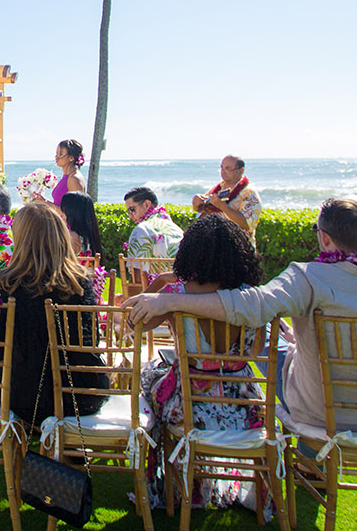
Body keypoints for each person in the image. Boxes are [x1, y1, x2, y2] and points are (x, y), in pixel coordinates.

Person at [125, 198, 357, 433]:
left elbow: (252, 306)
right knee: (270, 337)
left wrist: (172, 299)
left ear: (325, 239)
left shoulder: (308, 278)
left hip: (320, 413)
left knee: (269, 333)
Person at [135, 215, 269, 514]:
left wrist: (161, 284)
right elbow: (256, 350)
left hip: (189, 409)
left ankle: (173, 483)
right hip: (243, 407)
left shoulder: (176, 295)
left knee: (149, 380)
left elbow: (135, 324)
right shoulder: (253, 299)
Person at [0, 201, 110, 425]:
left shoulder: (6, 284)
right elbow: (91, 342)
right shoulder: (80, 283)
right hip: (79, 394)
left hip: (22, 395)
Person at [191, 155, 261, 238]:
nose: (223, 172)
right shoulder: (217, 189)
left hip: (237, 245)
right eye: (222, 168)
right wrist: (196, 202)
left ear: (241, 170)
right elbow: (201, 211)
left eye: (228, 169)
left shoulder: (250, 193)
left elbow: (247, 225)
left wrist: (222, 206)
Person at [123, 186, 184, 260]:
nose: (130, 216)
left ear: (147, 204)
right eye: (128, 212)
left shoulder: (142, 230)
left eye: (132, 210)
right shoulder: (176, 229)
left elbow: (135, 268)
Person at [60, 190, 103, 259]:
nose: (61, 215)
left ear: (72, 213)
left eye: (64, 210)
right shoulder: (90, 236)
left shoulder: (71, 237)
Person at [49, 139, 87, 207]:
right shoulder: (67, 176)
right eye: (56, 154)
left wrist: (46, 203)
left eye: (60, 154)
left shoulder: (74, 179)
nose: (56, 157)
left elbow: (75, 212)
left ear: (71, 158)